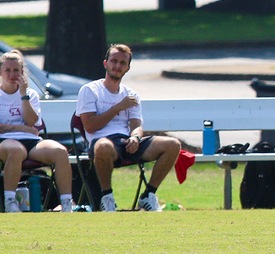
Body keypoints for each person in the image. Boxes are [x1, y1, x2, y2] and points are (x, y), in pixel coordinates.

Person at [75, 44, 181, 212]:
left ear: (128, 68)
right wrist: (117, 107)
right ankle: (107, 197)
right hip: (103, 143)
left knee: (173, 145)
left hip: (127, 142)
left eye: (122, 63)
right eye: (114, 61)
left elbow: (136, 125)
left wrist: (135, 137)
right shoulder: (90, 90)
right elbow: (90, 126)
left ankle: (149, 195)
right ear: (105, 64)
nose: (117, 66)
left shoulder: (131, 94)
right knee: (102, 146)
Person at [1, 50, 75, 212]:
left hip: (32, 141)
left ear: (22, 73)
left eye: (16, 71)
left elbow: (31, 122)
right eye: (8, 70)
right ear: (1, 72)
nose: (12, 74)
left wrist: (23, 94)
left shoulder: (30, 94)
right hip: (5, 142)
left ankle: (67, 203)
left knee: (60, 151)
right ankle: (10, 202)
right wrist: (21, 128)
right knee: (15, 150)